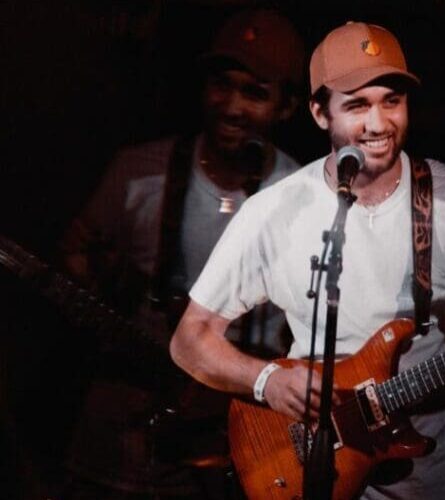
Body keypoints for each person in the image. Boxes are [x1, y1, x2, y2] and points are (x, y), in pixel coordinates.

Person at [170, 21, 445, 499]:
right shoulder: (274, 212)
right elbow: (188, 340)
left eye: (392, 101)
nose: (379, 123)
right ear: (320, 113)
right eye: (358, 105)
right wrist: (266, 381)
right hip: (323, 479)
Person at [59, 8, 305, 499]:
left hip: (239, 455)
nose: (231, 106)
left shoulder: (304, 198)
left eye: (254, 92)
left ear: (287, 107)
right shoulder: (136, 173)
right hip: (120, 447)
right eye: (221, 84)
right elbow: (74, 253)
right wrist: (109, 288)